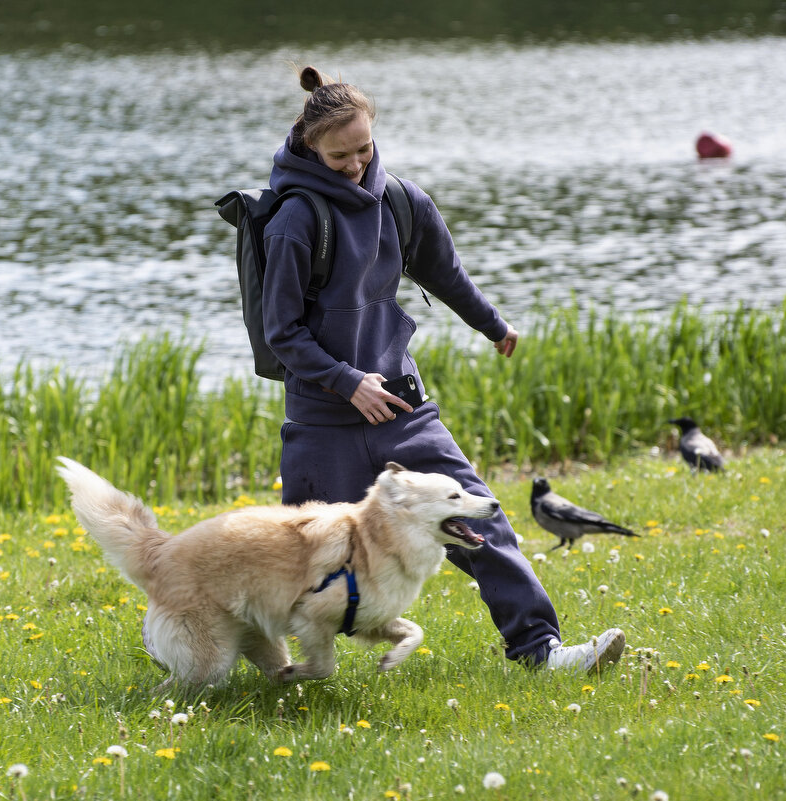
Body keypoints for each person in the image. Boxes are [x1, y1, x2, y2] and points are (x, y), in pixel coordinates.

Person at [261, 65, 625, 673]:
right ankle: (228, 644)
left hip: (404, 409)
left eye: (364, 150)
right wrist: (347, 382)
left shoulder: (401, 201)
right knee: (298, 560)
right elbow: (282, 334)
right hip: (325, 419)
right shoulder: (294, 221)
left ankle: (542, 651)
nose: (355, 165)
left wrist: (493, 325)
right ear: (308, 146)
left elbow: (445, 273)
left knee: (483, 519)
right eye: (339, 156)